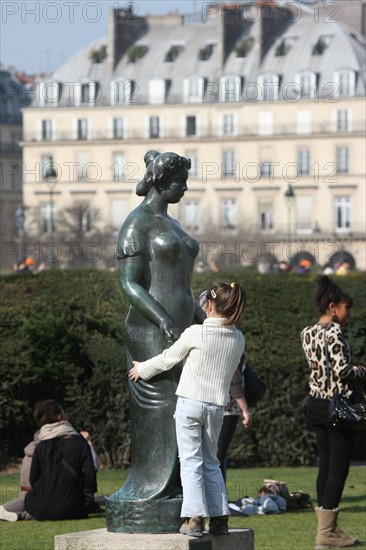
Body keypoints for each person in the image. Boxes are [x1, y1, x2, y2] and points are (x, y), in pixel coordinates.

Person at [110, 150, 200, 522]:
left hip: (182, 326)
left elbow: (183, 284)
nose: (185, 187)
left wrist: (199, 318)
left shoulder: (172, 224)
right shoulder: (137, 225)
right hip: (150, 329)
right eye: (180, 181)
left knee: (184, 408)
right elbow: (129, 285)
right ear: (162, 182)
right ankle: (149, 490)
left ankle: (178, 491)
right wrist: (163, 318)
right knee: (161, 408)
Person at [129, 281, 247, 537]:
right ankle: (219, 518)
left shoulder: (195, 332)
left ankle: (194, 518)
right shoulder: (238, 338)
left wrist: (141, 369)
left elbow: (168, 358)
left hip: (191, 403)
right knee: (211, 462)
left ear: (210, 305)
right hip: (217, 407)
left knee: (191, 462)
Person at [301, 275, 366, 549]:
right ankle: (327, 533)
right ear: (332, 306)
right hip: (337, 407)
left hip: (316, 405)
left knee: (325, 466)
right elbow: (341, 370)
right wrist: (362, 370)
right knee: (338, 469)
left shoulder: (306, 332)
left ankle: (327, 530)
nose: (347, 313)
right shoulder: (334, 332)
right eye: (344, 307)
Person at [0, 400, 97, 522]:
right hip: (73, 506)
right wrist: (87, 498)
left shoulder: (40, 446)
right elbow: (90, 475)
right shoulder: (79, 442)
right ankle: (19, 514)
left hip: (42, 508)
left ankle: (18, 514)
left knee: (29, 499)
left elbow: (33, 480)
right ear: (59, 417)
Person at [197, 289, 251, 481]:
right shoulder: (232, 336)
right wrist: (244, 407)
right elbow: (234, 379)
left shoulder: (199, 333)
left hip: (203, 400)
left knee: (206, 458)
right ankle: (217, 501)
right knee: (217, 458)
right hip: (226, 405)